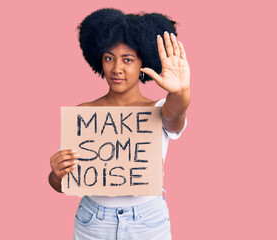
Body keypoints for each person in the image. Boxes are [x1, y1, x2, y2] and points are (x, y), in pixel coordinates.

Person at [49, 8, 190, 240]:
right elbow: (65, 183)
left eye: (128, 60)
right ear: (99, 59)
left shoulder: (160, 110)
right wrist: (55, 175)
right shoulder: (84, 114)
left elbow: (176, 114)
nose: (116, 69)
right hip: (93, 221)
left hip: (148, 221)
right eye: (109, 58)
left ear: (143, 62)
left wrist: (181, 91)